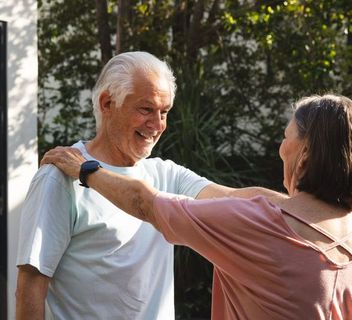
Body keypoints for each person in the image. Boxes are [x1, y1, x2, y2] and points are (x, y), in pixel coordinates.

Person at [43, 94, 352, 319]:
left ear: (304, 155)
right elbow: (257, 198)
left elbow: (145, 203)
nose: (280, 148)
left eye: (286, 138)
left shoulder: (256, 226)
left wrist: (86, 169)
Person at [15, 51, 282, 320]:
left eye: (164, 112)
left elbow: (238, 199)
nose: (157, 125)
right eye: (146, 109)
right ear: (107, 103)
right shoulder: (59, 175)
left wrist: (303, 206)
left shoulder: (165, 175)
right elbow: (30, 286)